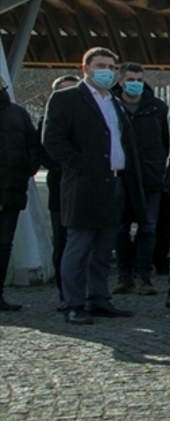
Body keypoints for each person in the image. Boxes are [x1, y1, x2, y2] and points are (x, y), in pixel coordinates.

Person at [43, 47, 146, 324]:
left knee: (103, 248)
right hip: (84, 184)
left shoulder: (114, 101)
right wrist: (80, 167)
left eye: (111, 67)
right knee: (78, 247)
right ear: (86, 68)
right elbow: (53, 140)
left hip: (116, 182)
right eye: (101, 65)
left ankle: (99, 299)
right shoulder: (66, 98)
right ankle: (73, 303)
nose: (107, 71)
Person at [112, 62, 168, 296]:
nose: (135, 84)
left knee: (148, 228)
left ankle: (143, 276)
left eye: (139, 80)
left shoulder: (157, 108)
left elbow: (165, 142)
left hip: (150, 177)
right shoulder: (111, 105)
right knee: (120, 228)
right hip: (121, 175)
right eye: (130, 79)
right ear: (120, 81)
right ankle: (124, 275)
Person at [0, 69, 43, 312]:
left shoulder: (18, 113)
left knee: (3, 245)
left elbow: (32, 144)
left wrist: (28, 168)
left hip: (11, 191)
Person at [39, 74, 79, 298]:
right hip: (61, 186)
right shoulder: (47, 122)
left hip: (87, 188)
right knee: (62, 240)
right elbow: (43, 151)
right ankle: (65, 292)